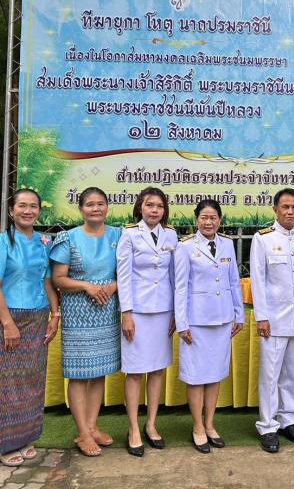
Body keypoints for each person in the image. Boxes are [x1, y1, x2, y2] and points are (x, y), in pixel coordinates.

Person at [0, 188, 60, 466]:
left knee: (31, 382)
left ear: (39, 211)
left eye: (33, 206)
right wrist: (8, 324)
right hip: (8, 317)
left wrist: (55, 314)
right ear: (11, 211)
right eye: (22, 206)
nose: (28, 211)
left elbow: (47, 281)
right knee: (5, 383)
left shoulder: (45, 242)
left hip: (38, 317)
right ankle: (4, 445)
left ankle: (25, 438)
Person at [50, 187, 121, 457]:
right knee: (79, 373)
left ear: (107, 207)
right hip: (78, 311)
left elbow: (128, 271)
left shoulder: (119, 235)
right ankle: (82, 432)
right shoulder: (67, 238)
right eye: (90, 204)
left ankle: (92, 426)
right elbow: (58, 279)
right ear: (81, 209)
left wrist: (113, 286)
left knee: (99, 370)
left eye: (100, 203)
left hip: (107, 309)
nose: (96, 208)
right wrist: (86, 286)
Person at [249, 188, 294, 453]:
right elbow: (258, 280)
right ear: (275, 209)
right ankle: (268, 425)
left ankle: (289, 420)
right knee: (270, 375)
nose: (290, 211)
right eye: (285, 207)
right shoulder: (263, 239)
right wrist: (262, 317)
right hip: (274, 320)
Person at [174, 199, 244, 453]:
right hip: (196, 321)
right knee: (196, 376)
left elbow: (233, 281)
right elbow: (180, 286)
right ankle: (197, 427)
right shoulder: (185, 247)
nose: (208, 222)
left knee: (215, 374)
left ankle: (210, 423)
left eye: (213, 217)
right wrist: (182, 323)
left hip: (222, 319)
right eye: (204, 217)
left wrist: (239, 314)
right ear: (197, 220)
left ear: (220, 220)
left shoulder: (226, 244)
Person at [117, 187, 178, 457]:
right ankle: (133, 428)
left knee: (157, 370)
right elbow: (123, 276)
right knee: (135, 371)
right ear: (140, 208)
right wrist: (127, 313)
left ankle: (151, 424)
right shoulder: (129, 234)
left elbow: (174, 276)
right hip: (138, 312)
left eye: (160, 206)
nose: (155, 210)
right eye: (150, 205)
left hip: (163, 310)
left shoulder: (171, 235)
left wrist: (176, 313)